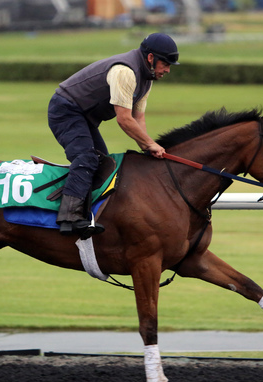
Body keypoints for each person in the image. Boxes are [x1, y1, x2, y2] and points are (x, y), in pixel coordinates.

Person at [48, 33, 179, 238]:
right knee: (87, 159)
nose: (168, 70)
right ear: (151, 58)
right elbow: (124, 120)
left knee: (104, 164)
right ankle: (69, 219)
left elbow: (138, 118)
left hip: (84, 117)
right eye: (166, 63)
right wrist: (150, 144)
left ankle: (89, 215)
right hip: (65, 110)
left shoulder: (146, 79)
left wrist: (146, 147)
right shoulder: (125, 72)